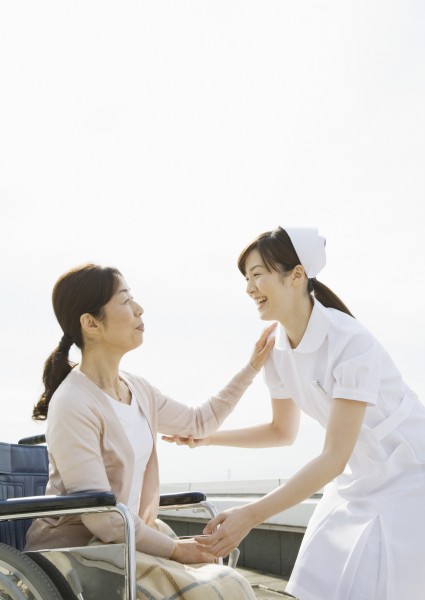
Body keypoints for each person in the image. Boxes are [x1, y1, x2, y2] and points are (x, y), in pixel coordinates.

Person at [164, 226, 425, 600]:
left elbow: (333, 458)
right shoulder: (276, 349)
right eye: (246, 278)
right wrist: (207, 438)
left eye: (257, 275)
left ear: (297, 275)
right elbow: (281, 431)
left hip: (410, 475)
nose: (249, 288)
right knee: (318, 580)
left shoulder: (351, 342)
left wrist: (251, 515)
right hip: (357, 478)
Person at [24, 262, 275, 600]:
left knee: (227, 581)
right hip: (77, 554)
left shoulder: (138, 389)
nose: (139, 308)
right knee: (216, 589)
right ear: (91, 323)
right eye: (125, 300)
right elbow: (103, 520)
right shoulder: (73, 402)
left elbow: (199, 422)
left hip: (123, 543)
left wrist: (252, 367)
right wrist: (176, 549)